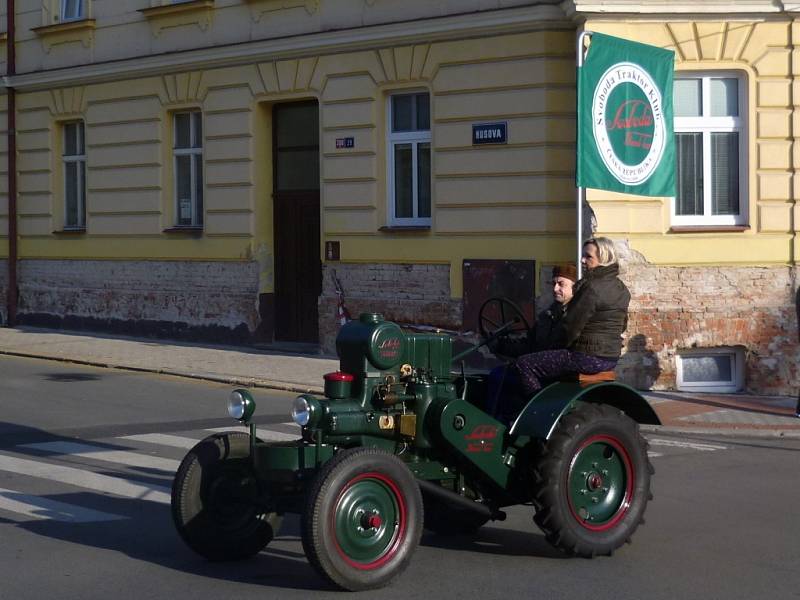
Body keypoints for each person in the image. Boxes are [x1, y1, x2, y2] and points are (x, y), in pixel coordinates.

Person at [514, 237, 630, 398]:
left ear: (603, 258)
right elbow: (622, 325)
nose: (583, 260)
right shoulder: (621, 288)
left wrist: (556, 348)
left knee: (524, 363)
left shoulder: (591, 286)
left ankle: (539, 408)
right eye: (583, 255)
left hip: (586, 357)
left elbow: (572, 325)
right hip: (610, 357)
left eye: (588, 257)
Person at [487, 264, 577, 421]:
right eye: (554, 283)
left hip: (557, 371)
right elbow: (529, 344)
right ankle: (492, 420)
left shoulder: (575, 317)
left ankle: (533, 415)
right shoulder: (547, 316)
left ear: (574, 288)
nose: (555, 288)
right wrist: (500, 345)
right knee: (497, 374)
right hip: (537, 366)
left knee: (510, 380)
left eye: (561, 284)